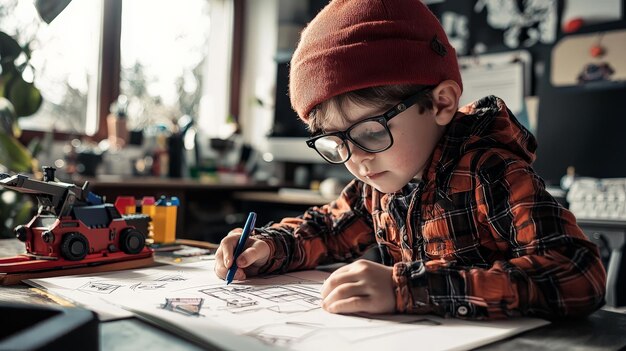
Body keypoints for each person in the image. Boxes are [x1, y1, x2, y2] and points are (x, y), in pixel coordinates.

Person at [214, 0, 606, 320]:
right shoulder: (380, 181)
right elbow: (329, 230)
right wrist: (266, 247)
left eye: (370, 132)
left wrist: (408, 287)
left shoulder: (492, 172)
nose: (357, 161)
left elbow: (578, 274)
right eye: (336, 142)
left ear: (441, 103)